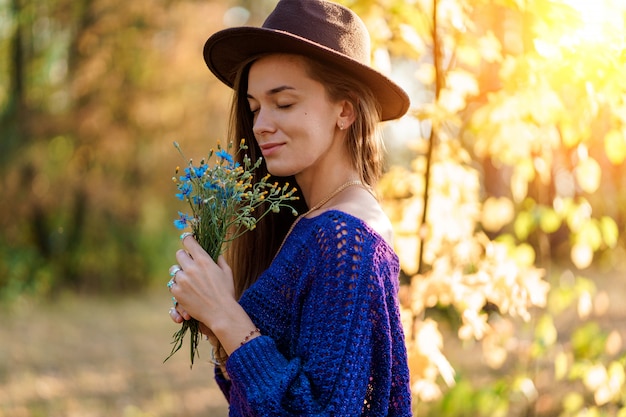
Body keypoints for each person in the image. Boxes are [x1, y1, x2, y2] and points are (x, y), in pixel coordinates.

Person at [167, 0, 413, 415]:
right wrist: (217, 327)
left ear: (345, 110)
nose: (261, 124)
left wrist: (230, 318)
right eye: (255, 107)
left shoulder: (346, 238)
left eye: (283, 103)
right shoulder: (314, 222)